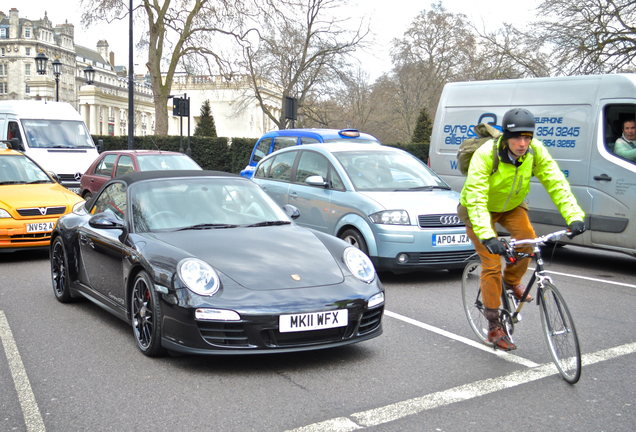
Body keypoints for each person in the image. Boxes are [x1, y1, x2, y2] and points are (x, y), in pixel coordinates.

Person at [458, 108, 586, 351]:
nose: (522, 143)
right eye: (517, 137)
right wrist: (487, 236)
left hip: (512, 206)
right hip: (479, 208)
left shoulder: (536, 151)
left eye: (527, 137)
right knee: (493, 263)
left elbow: (556, 182)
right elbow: (475, 198)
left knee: (529, 241)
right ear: (506, 136)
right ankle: (494, 324)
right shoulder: (487, 154)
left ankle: (512, 280)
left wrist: (574, 216)